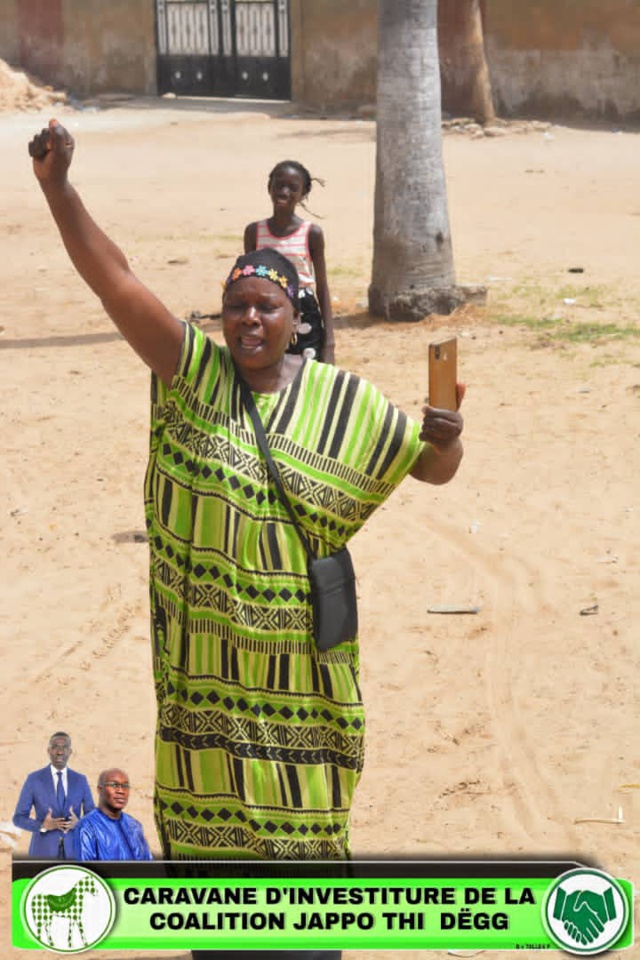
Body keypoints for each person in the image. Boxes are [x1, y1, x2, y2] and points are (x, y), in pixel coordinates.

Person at [29, 119, 464, 960]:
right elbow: (115, 279)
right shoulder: (194, 378)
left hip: (301, 694)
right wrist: (59, 190)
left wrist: (447, 441)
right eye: (235, 307)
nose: (247, 321)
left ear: (295, 315)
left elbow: (431, 469)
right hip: (208, 703)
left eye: (264, 307)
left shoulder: (344, 403)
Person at [244, 160, 335, 364]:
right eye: (279, 185)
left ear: (302, 194)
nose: (284, 192)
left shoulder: (311, 234)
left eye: (293, 188)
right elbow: (248, 283)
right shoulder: (254, 233)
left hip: (305, 317)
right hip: (267, 315)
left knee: (307, 378)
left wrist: (329, 343)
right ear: (269, 188)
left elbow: (322, 288)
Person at [13, 731, 95, 859]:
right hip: (42, 853)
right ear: (48, 750)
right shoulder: (34, 779)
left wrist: (79, 824)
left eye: (65, 747)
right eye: (55, 747)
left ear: (70, 751)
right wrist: (42, 826)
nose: (60, 752)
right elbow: (18, 818)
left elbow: (93, 819)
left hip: (76, 854)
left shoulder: (80, 780)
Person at [75, 768, 154, 860]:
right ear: (100, 790)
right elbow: (86, 869)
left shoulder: (134, 826)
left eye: (125, 786)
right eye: (114, 785)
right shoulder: (87, 827)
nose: (121, 791)